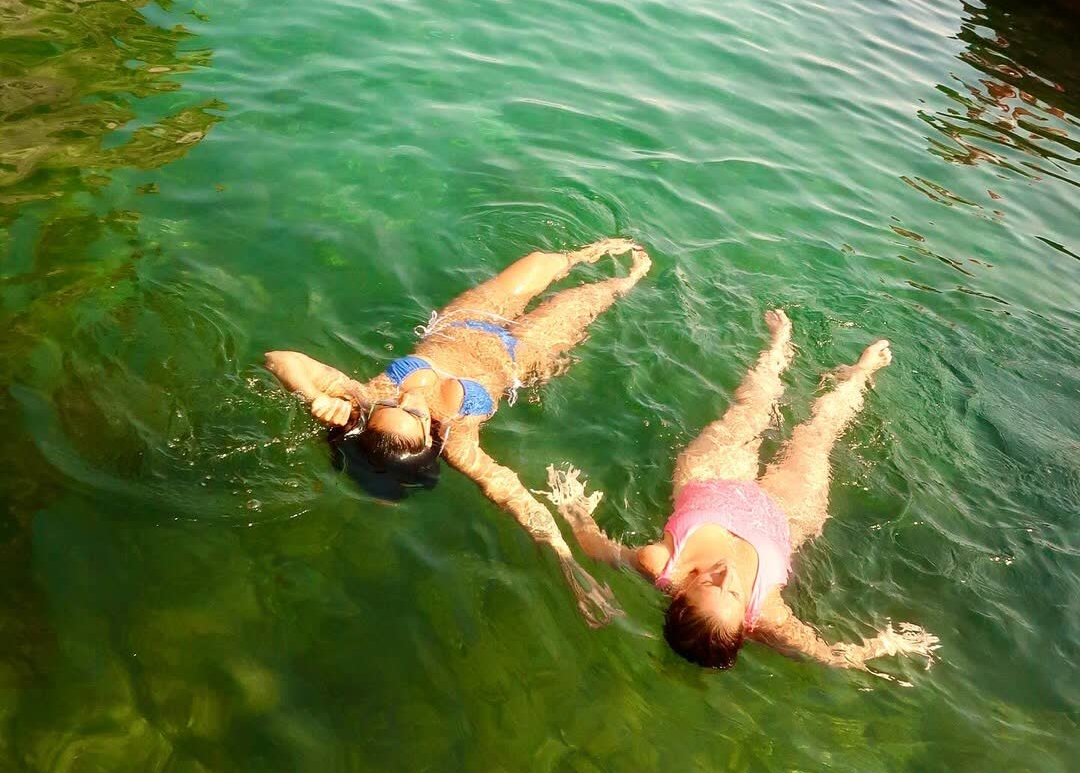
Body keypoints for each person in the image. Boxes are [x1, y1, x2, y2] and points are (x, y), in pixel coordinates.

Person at [265, 239, 651, 625]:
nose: (406, 399)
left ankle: (584, 254)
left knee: (539, 262)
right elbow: (517, 499)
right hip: (521, 354)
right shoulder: (459, 442)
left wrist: (316, 396)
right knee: (588, 297)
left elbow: (279, 359)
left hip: (464, 320)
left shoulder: (365, 400)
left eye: (392, 405)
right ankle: (631, 279)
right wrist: (569, 564)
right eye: (412, 414)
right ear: (428, 439)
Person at [546, 310, 939, 669]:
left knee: (751, 409)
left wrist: (572, 507)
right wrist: (887, 645)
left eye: (708, 583)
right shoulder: (767, 613)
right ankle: (861, 373)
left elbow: (601, 550)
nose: (726, 574)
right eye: (733, 594)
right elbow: (827, 655)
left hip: (715, 479)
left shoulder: (661, 562)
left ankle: (779, 346)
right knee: (817, 438)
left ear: (680, 595)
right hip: (784, 512)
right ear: (746, 624)